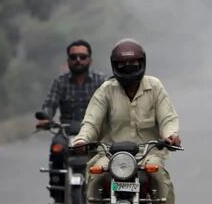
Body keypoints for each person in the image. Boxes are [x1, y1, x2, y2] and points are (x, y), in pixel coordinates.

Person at [72, 38, 181, 204]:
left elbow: (167, 117)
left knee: (160, 176)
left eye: (133, 62)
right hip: (109, 155)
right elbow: (91, 121)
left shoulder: (155, 86)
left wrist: (171, 136)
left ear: (142, 63)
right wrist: (82, 139)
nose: (128, 66)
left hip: (147, 154)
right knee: (94, 175)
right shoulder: (106, 90)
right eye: (122, 63)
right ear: (115, 66)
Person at [36, 39, 106, 203]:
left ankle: (106, 191)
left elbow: (111, 103)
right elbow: (49, 104)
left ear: (90, 59)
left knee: (109, 152)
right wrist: (46, 118)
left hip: (96, 133)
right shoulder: (60, 82)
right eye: (74, 57)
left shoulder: (101, 81)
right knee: (57, 148)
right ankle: (58, 190)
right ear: (68, 60)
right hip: (66, 131)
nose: (78, 60)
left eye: (82, 56)